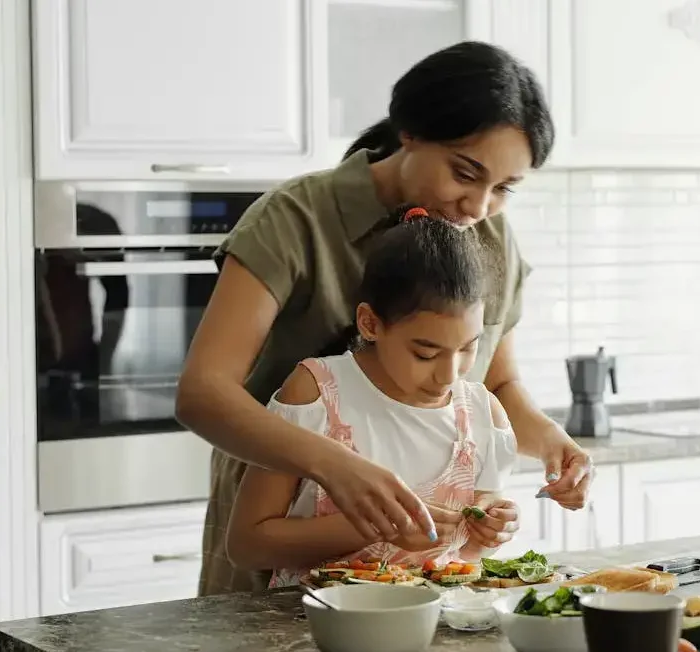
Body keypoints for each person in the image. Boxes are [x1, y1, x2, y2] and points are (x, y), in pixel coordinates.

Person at [176, 40, 594, 595]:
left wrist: (552, 444)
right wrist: (336, 467)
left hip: (420, 577)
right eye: (465, 173)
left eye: (503, 189)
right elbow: (202, 393)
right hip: (282, 536)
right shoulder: (296, 218)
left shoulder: (489, 235)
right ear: (411, 133)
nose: (479, 206)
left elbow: (495, 382)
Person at [225, 205, 519, 585]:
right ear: (370, 323)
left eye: (468, 347)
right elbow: (247, 545)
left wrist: (492, 530)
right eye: (425, 353)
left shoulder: (482, 415)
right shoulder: (317, 394)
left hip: (436, 631)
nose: (449, 374)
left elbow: (470, 556)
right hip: (313, 628)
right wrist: (376, 528)